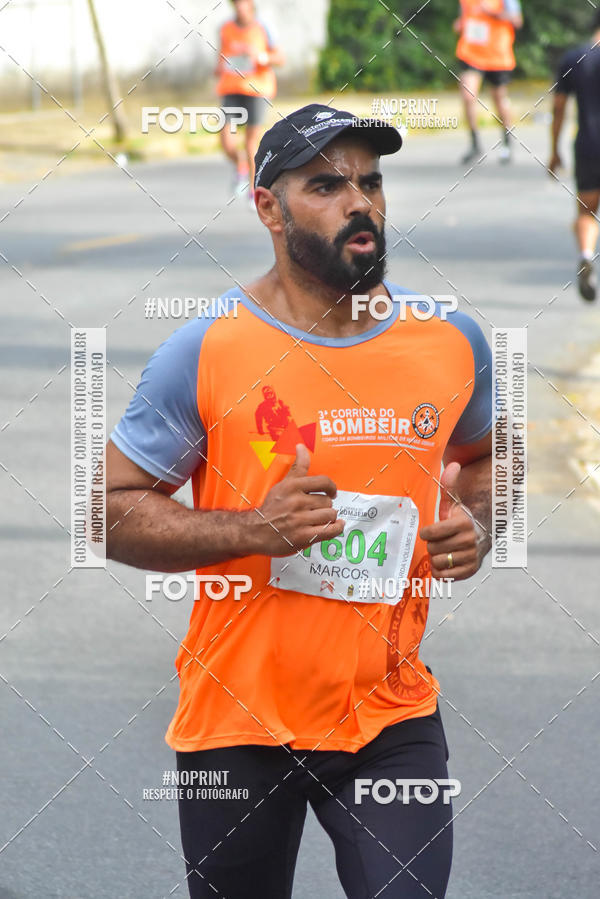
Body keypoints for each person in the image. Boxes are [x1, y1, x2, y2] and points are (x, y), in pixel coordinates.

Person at [106, 104, 493, 899]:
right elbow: (110, 509)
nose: (361, 202)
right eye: (326, 184)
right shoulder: (207, 348)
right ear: (268, 209)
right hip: (236, 721)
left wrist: (482, 521)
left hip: (390, 715)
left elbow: (491, 454)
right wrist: (255, 528)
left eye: (372, 182)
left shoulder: (450, 337)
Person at [549, 9, 600, 302]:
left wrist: (555, 151)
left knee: (586, 211)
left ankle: (585, 255)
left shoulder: (574, 59)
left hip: (587, 147)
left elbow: (558, 108)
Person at [215, 0, 283, 205]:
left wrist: (261, 57)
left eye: (244, 3)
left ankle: (254, 193)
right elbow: (221, 59)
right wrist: (221, 66)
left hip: (257, 89)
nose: (240, 6)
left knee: (251, 142)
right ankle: (241, 166)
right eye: (236, 3)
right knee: (226, 140)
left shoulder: (264, 27)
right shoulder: (226, 28)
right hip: (231, 88)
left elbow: (280, 58)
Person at [454, 0, 523, 164]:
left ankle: (506, 142)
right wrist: (460, 24)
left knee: (499, 100)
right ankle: (474, 143)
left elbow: (517, 20)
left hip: (498, 56)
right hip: (472, 54)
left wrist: (494, 14)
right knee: (468, 95)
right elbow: (464, 17)